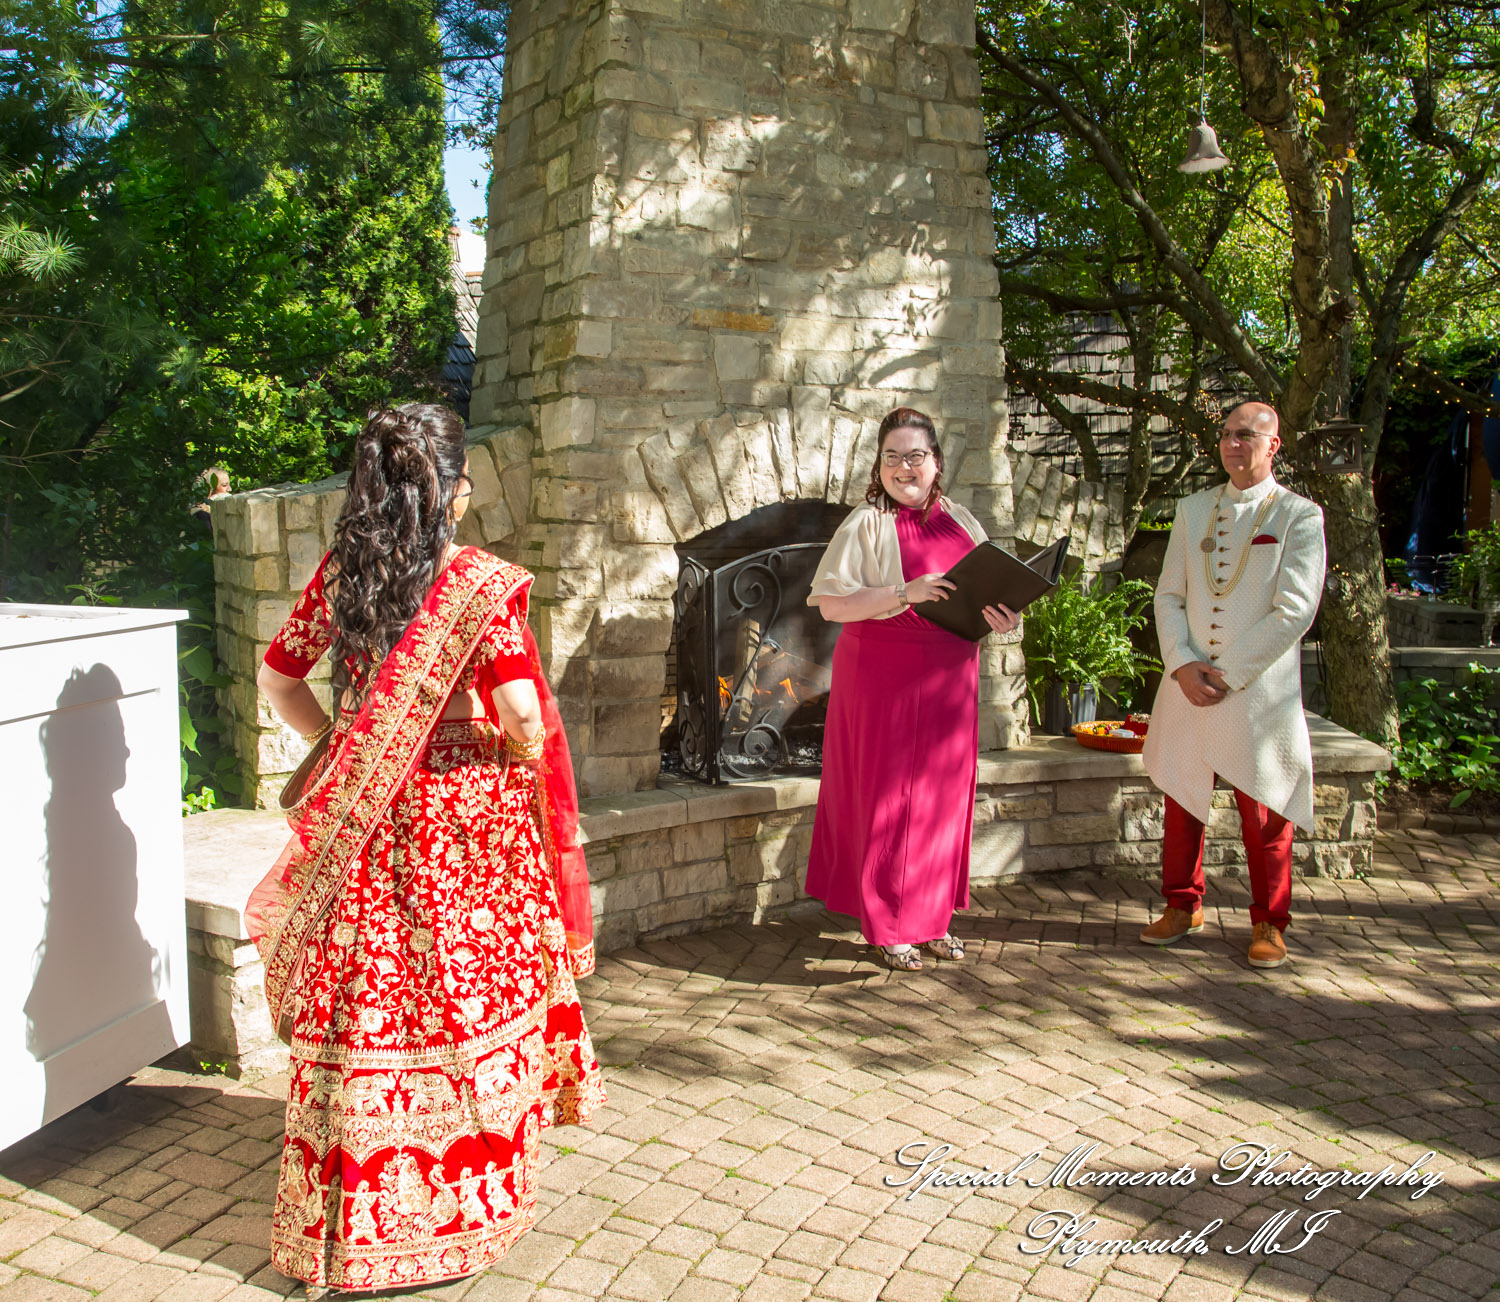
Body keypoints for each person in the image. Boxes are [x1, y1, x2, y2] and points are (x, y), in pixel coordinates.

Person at [245, 403, 604, 1291]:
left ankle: (353, 1226)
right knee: (464, 999)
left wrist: (343, 744)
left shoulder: (344, 572)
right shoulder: (478, 584)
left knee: (373, 996)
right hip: (462, 832)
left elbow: (277, 678)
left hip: (369, 825)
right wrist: (524, 758)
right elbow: (522, 713)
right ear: (456, 491)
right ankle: (463, 1209)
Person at [805, 407, 1019, 971]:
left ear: (936, 462)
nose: (905, 467)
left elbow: (982, 592)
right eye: (892, 456)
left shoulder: (963, 521)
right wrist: (905, 591)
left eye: (916, 456)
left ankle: (933, 920)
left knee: (941, 802)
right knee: (889, 801)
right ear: (879, 466)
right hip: (884, 675)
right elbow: (831, 604)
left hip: (952, 679)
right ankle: (890, 924)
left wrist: (1003, 616)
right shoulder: (866, 522)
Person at [1139, 401, 1327, 969]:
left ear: (1274, 446)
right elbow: (1169, 594)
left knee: (1265, 807)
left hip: (1256, 690)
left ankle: (1269, 920)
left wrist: (1228, 672)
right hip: (1188, 680)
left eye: (1246, 435)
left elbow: (1295, 609)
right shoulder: (1194, 509)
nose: (1232, 444)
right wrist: (1181, 662)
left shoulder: (1300, 515)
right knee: (1182, 796)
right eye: (1225, 435)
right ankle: (1182, 904)